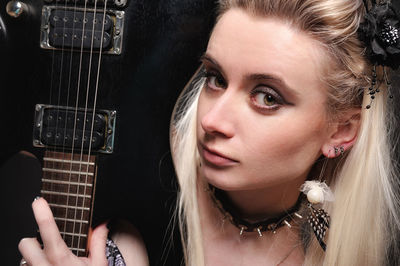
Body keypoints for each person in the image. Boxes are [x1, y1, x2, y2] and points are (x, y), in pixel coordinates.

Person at [19, 0, 400, 265]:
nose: (212, 120)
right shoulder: (133, 221)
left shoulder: (357, 248)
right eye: (216, 78)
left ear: (341, 132)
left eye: (267, 97)